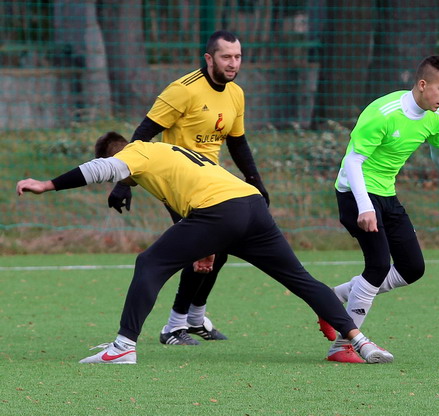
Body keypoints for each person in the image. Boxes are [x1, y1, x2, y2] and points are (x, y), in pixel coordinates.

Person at [16, 132, 393, 365]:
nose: (120, 178)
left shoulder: (137, 152)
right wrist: (208, 247)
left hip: (221, 211)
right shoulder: (169, 153)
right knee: (300, 279)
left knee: (148, 263)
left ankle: (123, 346)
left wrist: (47, 185)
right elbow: (196, 206)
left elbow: (100, 169)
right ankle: (360, 342)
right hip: (251, 205)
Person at [107, 30, 269, 345]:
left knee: (219, 251)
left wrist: (256, 183)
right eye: (226, 56)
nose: (233, 63)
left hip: (212, 183)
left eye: (237, 57)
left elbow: (238, 142)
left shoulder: (236, 93)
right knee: (201, 248)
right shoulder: (182, 91)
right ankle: (174, 325)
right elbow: (142, 136)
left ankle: (194, 318)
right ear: (209, 58)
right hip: (178, 184)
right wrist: (123, 183)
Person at [319, 56, 439, 363]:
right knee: (377, 265)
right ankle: (342, 347)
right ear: (423, 84)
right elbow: (353, 161)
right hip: (355, 193)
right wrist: (365, 207)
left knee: (412, 267)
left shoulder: (434, 117)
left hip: (386, 194)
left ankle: (332, 302)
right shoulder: (383, 113)